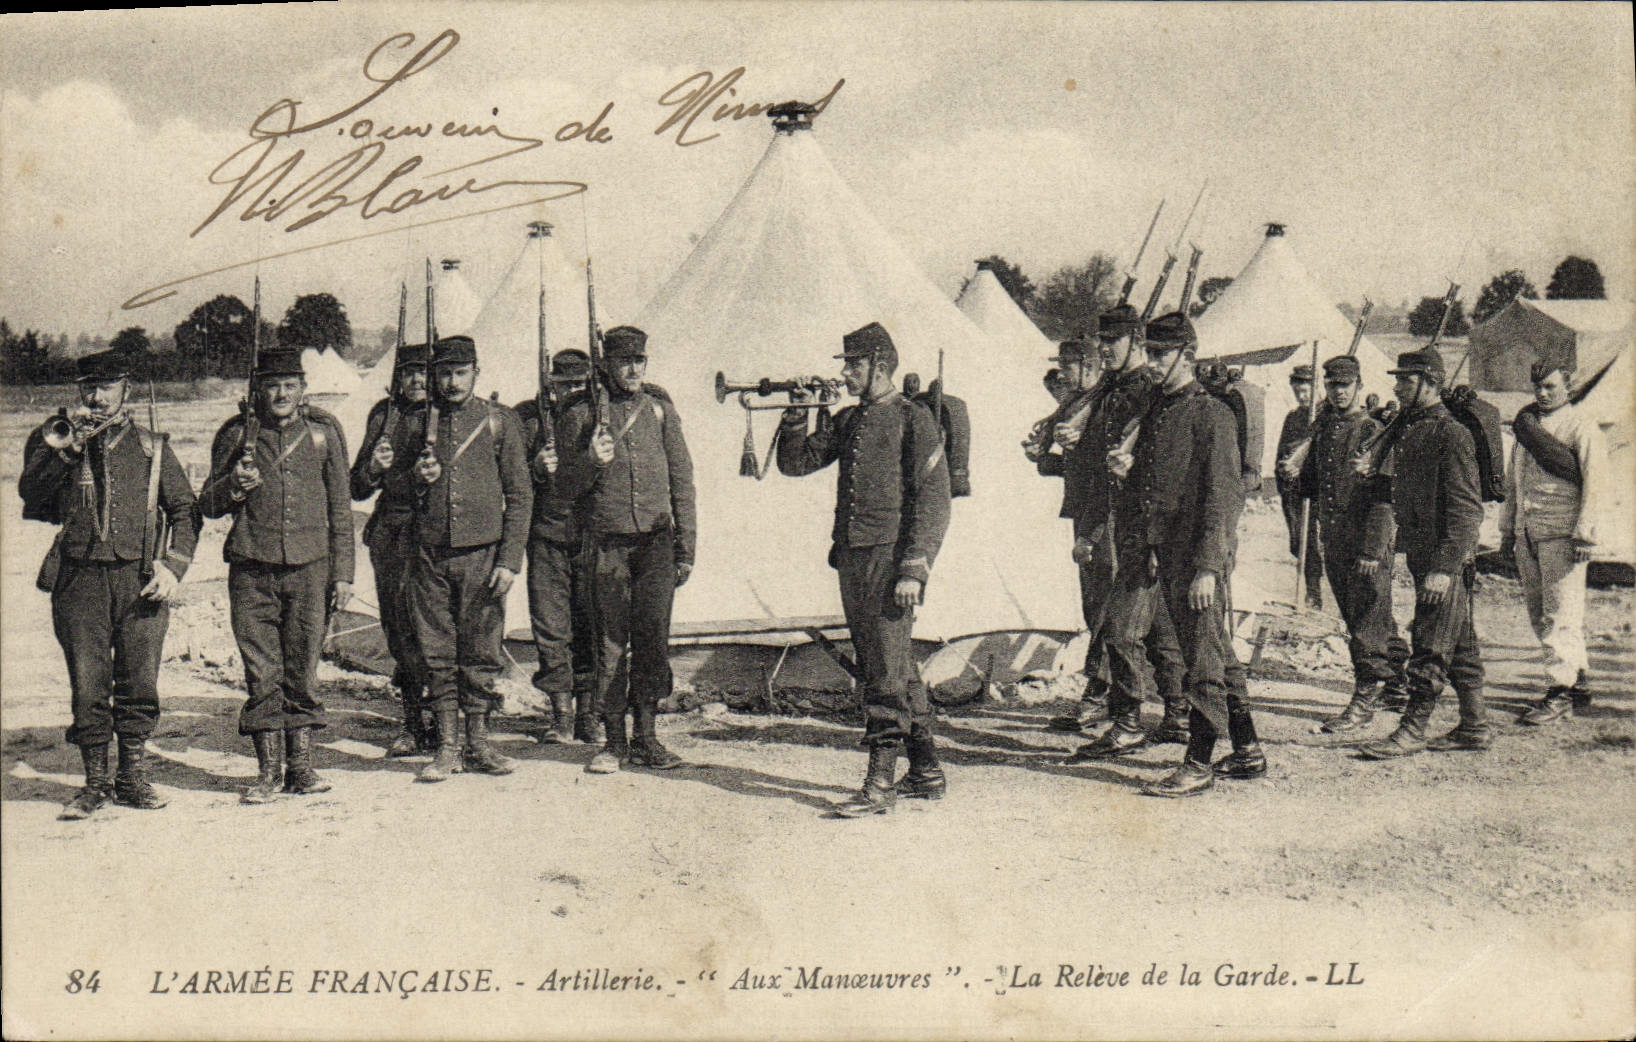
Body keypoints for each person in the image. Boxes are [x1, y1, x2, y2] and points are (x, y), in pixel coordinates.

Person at [778, 321, 951, 817]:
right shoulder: (850, 419)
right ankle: (925, 771)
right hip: (852, 556)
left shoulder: (913, 418)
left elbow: (934, 502)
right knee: (895, 666)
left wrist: (913, 570)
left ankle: (880, 784)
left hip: (890, 558)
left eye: (854, 364)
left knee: (883, 672)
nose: (847, 373)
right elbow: (796, 464)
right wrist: (797, 413)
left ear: (880, 365)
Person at [19, 350, 199, 820]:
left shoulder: (151, 445)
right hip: (78, 580)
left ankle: (132, 777)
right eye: (89, 388)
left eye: (107, 387)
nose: (97, 398)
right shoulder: (54, 439)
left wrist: (172, 568)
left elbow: (185, 511)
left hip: (139, 580)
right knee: (87, 683)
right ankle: (95, 782)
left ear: (126, 391)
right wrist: (67, 450)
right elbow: (32, 498)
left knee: (139, 680)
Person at [1115, 313, 1263, 797]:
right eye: (1149, 353)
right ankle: (1247, 749)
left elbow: (1223, 497)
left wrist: (1207, 568)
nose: (1152, 363)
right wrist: (1128, 469)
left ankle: (1198, 761)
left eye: (1160, 355)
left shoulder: (1212, 414)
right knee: (1216, 651)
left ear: (1188, 355)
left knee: (1200, 660)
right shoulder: (1160, 410)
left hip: (1198, 556)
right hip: (1168, 550)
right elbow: (1157, 484)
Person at [200, 347, 353, 803]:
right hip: (252, 570)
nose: (281, 393)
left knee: (303, 669)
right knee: (262, 672)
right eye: (272, 385)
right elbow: (206, 504)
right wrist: (233, 487)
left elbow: (340, 510)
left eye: (290, 384)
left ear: (304, 388)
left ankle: (301, 768)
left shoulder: (324, 433)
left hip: (310, 569)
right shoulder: (236, 435)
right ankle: (268, 771)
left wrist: (343, 574)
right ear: (258, 390)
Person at [391, 335, 532, 782]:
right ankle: (447, 746)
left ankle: (479, 742)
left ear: (476, 373)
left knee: (481, 651)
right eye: (444, 374)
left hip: (484, 557)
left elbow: (520, 494)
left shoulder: (499, 423)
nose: (451, 383)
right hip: (428, 558)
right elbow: (391, 491)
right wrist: (416, 477)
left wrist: (509, 560)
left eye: (460, 373)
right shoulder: (414, 424)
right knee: (437, 653)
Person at [557, 327, 696, 775]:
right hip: (606, 545)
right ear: (605, 365)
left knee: (653, 639)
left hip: (656, 543)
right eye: (624, 362)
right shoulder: (579, 415)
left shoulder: (659, 410)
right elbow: (564, 489)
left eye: (640, 360)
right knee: (610, 643)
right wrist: (590, 462)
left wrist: (686, 546)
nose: (634, 369)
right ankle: (614, 741)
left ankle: (648, 737)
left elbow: (682, 480)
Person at [1064, 304, 1189, 761]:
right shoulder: (1115, 389)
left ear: (1135, 343)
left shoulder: (1149, 392)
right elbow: (1095, 464)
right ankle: (1175, 713)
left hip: (1139, 524)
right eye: (1101, 342)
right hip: (1120, 521)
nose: (1103, 350)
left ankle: (1130, 718)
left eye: (1111, 342)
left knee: (1123, 625)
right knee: (1152, 625)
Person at [1360, 347, 1487, 759]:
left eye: (1405, 380)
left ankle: (1412, 730)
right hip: (1423, 553)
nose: (1397, 387)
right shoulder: (1413, 425)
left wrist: (1445, 568)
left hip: (1443, 558)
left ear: (1431, 383)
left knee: (1430, 641)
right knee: (1461, 642)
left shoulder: (1451, 433)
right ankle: (1475, 726)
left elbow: (1467, 509)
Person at [1298, 355, 1410, 733]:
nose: (1338, 392)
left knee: (1367, 617)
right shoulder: (1327, 427)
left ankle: (1367, 694)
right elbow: (1312, 485)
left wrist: (1373, 550)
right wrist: (1293, 472)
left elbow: (1385, 495)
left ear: (1359, 386)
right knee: (1364, 614)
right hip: (1335, 539)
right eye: (1332, 385)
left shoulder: (1371, 429)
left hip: (1365, 543)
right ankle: (1395, 683)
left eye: (1345, 385)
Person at [1502, 360, 1607, 724]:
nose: (1542, 394)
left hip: (1563, 535)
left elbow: (1596, 483)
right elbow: (1514, 480)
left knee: (1560, 615)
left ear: (1568, 386)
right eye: (1538, 388)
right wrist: (1508, 530)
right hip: (1527, 532)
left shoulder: (1581, 425)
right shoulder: (1526, 426)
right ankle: (1577, 682)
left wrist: (1585, 534)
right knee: (1538, 612)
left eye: (1550, 387)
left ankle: (1558, 692)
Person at [1028, 330, 1116, 733]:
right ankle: (1113, 697)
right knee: (1095, 608)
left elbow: (1108, 478)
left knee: (1107, 610)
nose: (1061, 374)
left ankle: (1103, 698)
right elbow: (1073, 468)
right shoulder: (1078, 405)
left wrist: (1092, 534)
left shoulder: (1104, 407)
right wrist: (1042, 456)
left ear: (1090, 366)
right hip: (1086, 515)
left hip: (1105, 521)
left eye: (1067, 365)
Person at [349, 340, 434, 757]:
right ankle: (413, 720)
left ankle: (449, 721)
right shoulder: (385, 415)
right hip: (393, 535)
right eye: (408, 372)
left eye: (423, 371)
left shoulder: (447, 414)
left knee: (437, 627)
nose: (417, 380)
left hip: (437, 536)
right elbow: (357, 487)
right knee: (400, 630)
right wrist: (374, 468)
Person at [515, 348, 601, 746]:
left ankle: (589, 713)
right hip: (547, 534)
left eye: (579, 384)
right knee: (551, 627)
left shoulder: (600, 415)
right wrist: (534, 468)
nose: (571, 391)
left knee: (591, 624)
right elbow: (510, 480)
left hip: (591, 534)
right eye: (563, 384)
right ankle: (560, 713)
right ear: (549, 382)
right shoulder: (527, 418)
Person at [1275, 364, 1324, 610]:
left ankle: (1314, 593)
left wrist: (1303, 468)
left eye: (1305, 391)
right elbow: (1282, 449)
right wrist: (1282, 473)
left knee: (1314, 542)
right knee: (1298, 540)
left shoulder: (1327, 415)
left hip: (1317, 491)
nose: (1302, 397)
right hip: (1293, 490)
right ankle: (1311, 588)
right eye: (1297, 392)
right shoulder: (1293, 417)